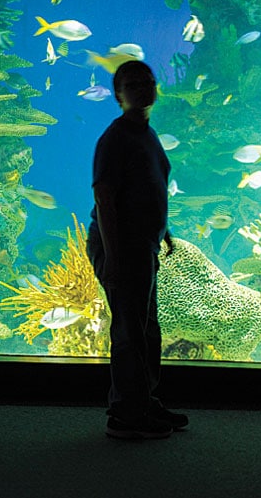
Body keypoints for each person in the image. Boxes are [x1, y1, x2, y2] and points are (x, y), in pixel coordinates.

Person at [85, 59, 188, 439]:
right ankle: (126, 415)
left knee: (146, 329)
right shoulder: (115, 138)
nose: (144, 88)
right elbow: (105, 197)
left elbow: (148, 187)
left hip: (142, 245)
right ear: (118, 95)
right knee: (130, 330)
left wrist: (164, 232)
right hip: (122, 246)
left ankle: (144, 401)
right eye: (133, 83)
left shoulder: (147, 133)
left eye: (148, 81)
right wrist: (113, 255)